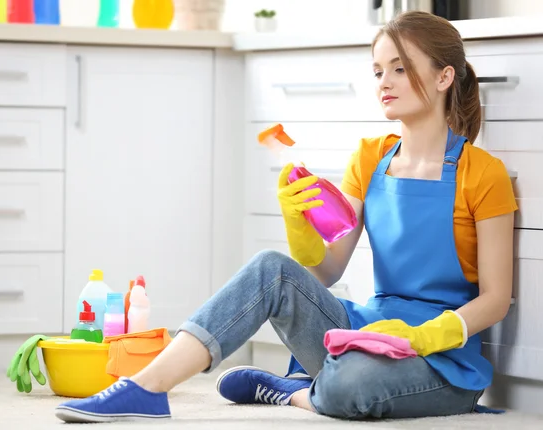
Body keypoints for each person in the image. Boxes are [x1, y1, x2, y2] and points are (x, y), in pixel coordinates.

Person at [54, 10, 517, 423]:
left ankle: (291, 393)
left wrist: (425, 337)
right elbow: (326, 272)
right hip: (367, 332)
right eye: (378, 70)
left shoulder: (483, 174)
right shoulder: (370, 158)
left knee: (349, 385)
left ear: (443, 78)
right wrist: (301, 227)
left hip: (440, 359)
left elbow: (496, 299)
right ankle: (145, 387)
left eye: (400, 68)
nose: (384, 82)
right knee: (269, 270)